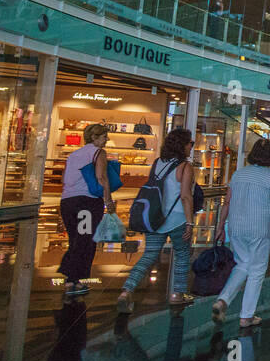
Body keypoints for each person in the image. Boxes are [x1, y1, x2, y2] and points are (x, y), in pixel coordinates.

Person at [211, 139, 270, 328]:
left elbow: (226, 203)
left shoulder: (238, 175)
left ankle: (223, 301)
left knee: (242, 264)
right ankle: (246, 316)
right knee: (257, 271)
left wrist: (220, 227)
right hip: (259, 228)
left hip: (236, 226)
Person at [117, 128, 196, 313]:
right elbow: (185, 196)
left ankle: (126, 291)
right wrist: (190, 222)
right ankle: (178, 294)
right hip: (177, 219)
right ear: (182, 145)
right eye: (190, 143)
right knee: (183, 255)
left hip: (154, 218)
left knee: (149, 255)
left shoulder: (157, 163)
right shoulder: (185, 167)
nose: (191, 147)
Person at [59, 123, 116, 297]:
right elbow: (101, 177)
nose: (106, 140)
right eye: (104, 136)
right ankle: (71, 280)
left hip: (67, 202)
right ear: (94, 137)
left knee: (76, 239)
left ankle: (70, 276)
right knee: (85, 241)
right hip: (87, 202)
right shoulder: (98, 153)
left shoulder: (74, 155)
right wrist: (108, 201)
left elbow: (64, 177)